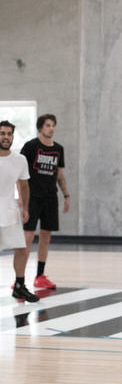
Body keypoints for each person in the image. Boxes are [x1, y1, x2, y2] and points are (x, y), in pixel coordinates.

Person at [20, 114, 70, 290]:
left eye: (53, 125)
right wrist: (21, 199)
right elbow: (21, 174)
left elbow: (59, 174)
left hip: (50, 198)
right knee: (27, 237)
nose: (51, 128)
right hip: (32, 198)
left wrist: (66, 195)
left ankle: (40, 276)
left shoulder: (58, 149)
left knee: (46, 237)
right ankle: (20, 279)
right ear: (40, 127)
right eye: (48, 125)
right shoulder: (30, 146)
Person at [0, 121, 39, 302]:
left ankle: (19, 286)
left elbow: (24, 185)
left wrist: (25, 208)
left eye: (8, 134)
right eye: (2, 133)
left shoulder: (19, 160)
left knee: (21, 249)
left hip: (10, 210)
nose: (5, 137)